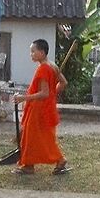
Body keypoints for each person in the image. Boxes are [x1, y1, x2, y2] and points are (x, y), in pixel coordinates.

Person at [12, 39, 70, 175]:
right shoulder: (52, 66)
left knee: (33, 137)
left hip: (39, 109)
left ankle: (31, 165)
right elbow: (63, 82)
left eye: (33, 51)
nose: (31, 54)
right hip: (46, 107)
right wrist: (53, 93)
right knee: (42, 137)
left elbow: (44, 93)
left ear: (42, 52)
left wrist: (23, 98)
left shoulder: (43, 68)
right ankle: (32, 163)